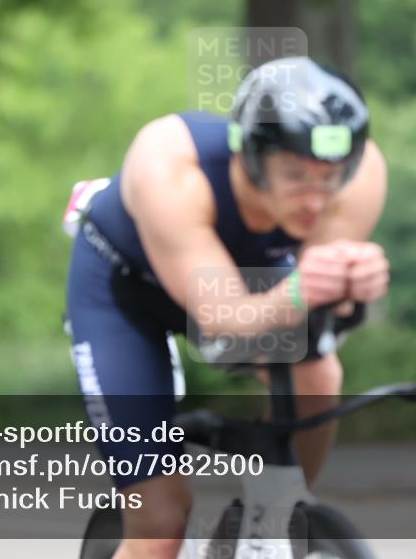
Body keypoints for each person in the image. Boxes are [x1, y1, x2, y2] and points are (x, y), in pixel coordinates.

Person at [64, 56, 390, 559]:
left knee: (317, 375)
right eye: (295, 174)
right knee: (160, 526)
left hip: (245, 277)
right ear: (251, 157)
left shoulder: (361, 175)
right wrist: (302, 291)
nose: (315, 199)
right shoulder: (170, 166)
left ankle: (269, 520)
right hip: (127, 291)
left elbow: (315, 309)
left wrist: (350, 284)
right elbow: (224, 322)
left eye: (331, 177)